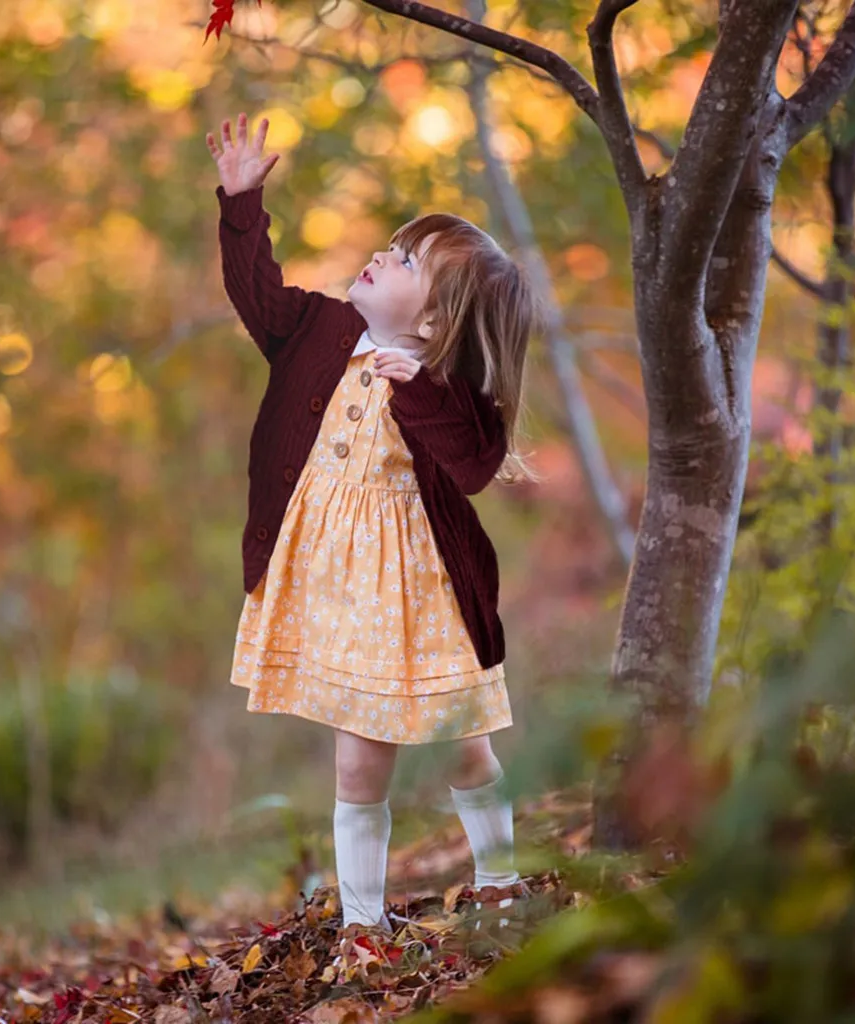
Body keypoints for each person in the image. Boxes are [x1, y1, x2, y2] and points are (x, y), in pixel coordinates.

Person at [206, 111, 533, 937]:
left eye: (407, 260)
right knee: (358, 763)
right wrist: (243, 204)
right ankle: (362, 923)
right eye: (393, 243)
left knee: (464, 743)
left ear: (431, 319)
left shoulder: (447, 389)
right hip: (341, 595)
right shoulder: (318, 331)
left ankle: (499, 880)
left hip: (422, 602)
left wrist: (416, 385)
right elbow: (256, 295)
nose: (382, 254)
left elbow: (473, 466)